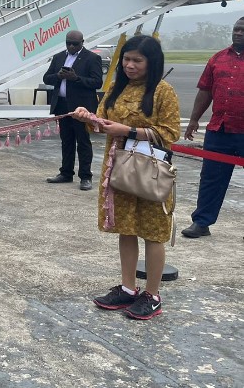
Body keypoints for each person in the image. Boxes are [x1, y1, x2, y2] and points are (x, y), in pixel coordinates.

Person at [71, 35, 180, 320]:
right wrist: (88, 118)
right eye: (126, 60)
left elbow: (170, 133)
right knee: (126, 228)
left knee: (154, 232)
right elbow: (102, 123)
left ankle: (152, 295)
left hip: (150, 170)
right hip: (119, 168)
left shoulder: (163, 91)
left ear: (151, 62)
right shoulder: (116, 88)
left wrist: (129, 131)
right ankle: (128, 288)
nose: (130, 66)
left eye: (137, 61)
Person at [181, 17, 244, 239]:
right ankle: (201, 222)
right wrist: (193, 120)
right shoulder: (217, 59)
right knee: (211, 178)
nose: (239, 33)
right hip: (220, 130)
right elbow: (205, 91)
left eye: (243, 30)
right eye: (236, 29)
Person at [42, 30, 103, 190]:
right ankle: (66, 173)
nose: (71, 46)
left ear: (82, 42)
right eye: (68, 43)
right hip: (62, 105)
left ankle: (85, 176)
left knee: (83, 141)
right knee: (67, 140)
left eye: (75, 44)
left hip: (81, 108)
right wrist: (58, 76)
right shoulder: (58, 57)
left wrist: (76, 78)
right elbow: (46, 78)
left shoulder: (92, 58)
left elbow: (97, 82)